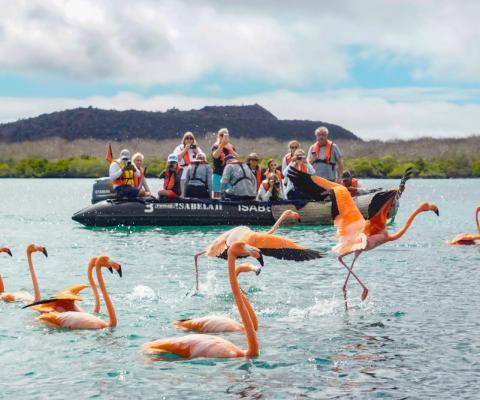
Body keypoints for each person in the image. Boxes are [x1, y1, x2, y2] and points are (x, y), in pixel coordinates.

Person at [174, 131, 205, 197]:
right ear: (184, 139)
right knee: (182, 195)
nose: (189, 140)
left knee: (192, 195)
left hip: (193, 177)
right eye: (187, 138)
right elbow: (176, 159)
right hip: (182, 176)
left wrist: (197, 152)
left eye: (191, 138)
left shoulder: (196, 148)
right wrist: (185, 150)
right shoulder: (179, 148)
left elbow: (204, 159)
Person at [211, 128, 239, 199]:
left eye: (225, 135)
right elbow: (215, 155)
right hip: (218, 175)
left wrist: (230, 149)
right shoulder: (215, 146)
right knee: (216, 197)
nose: (223, 136)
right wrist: (222, 145)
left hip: (229, 177)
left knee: (229, 197)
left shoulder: (231, 147)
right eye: (221, 135)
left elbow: (237, 159)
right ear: (218, 136)